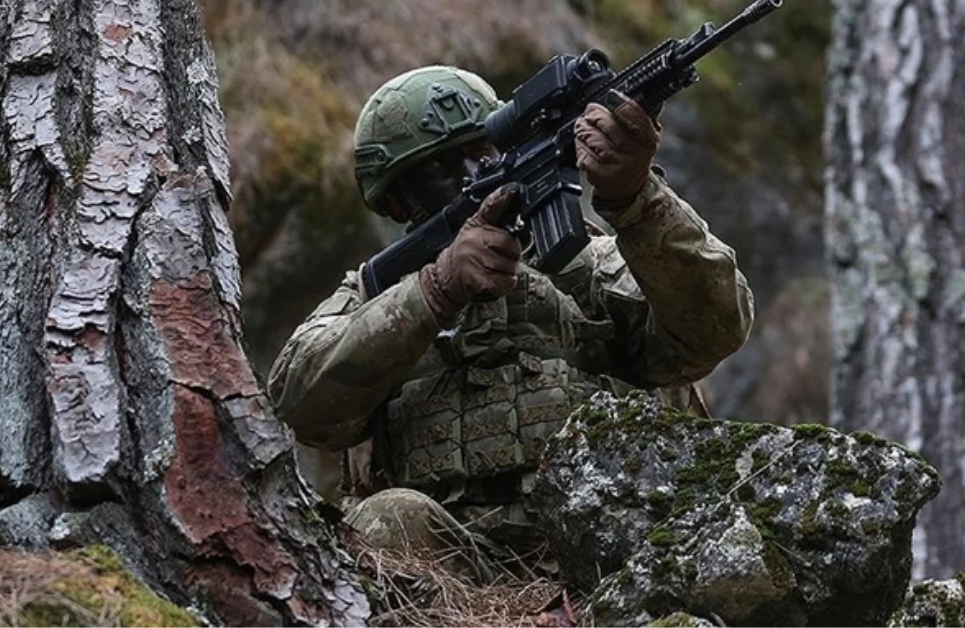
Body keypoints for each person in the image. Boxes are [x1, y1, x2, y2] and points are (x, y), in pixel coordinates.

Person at [267, 64, 754, 578]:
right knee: (385, 520)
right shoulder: (375, 293)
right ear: (396, 199)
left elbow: (717, 327)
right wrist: (435, 290)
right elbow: (299, 404)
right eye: (440, 168)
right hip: (452, 567)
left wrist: (637, 198)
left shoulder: (596, 262)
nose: (471, 175)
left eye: (483, 153)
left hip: (609, 551)